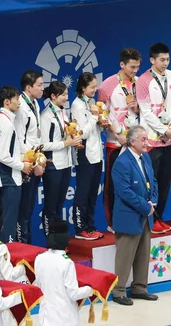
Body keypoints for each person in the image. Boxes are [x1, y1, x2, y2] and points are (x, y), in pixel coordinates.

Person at [111, 126, 159, 305]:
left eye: (147, 139)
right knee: (125, 255)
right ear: (133, 142)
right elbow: (124, 192)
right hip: (130, 215)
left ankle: (139, 288)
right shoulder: (121, 162)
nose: (147, 143)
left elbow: (153, 181)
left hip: (146, 214)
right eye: (143, 140)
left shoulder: (145, 157)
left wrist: (153, 201)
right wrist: (145, 207)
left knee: (143, 253)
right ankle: (119, 291)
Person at [136, 43, 171, 234]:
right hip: (151, 141)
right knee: (150, 183)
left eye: (167, 59)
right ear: (152, 60)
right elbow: (146, 112)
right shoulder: (143, 81)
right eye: (161, 60)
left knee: (165, 181)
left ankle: (160, 217)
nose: (165, 63)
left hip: (169, 138)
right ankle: (149, 220)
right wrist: (163, 130)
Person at [98, 48, 142, 233]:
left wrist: (138, 108)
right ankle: (112, 223)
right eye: (132, 67)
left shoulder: (140, 83)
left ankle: (132, 218)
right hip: (115, 142)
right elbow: (102, 114)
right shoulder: (107, 86)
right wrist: (118, 134)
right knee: (113, 184)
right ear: (122, 64)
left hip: (136, 144)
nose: (135, 71)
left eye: (138, 67)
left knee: (136, 183)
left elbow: (147, 111)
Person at [0, 85, 32, 243]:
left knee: (5, 219)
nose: (19, 101)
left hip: (6, 177)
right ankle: (7, 257)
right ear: (7, 102)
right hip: (9, 178)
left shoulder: (2, 120)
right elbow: (3, 155)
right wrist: (23, 166)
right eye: (16, 98)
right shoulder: (6, 124)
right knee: (8, 222)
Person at [40, 81, 81, 234]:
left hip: (66, 164)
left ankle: (57, 243)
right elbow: (43, 145)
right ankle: (49, 242)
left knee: (59, 205)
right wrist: (65, 143)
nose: (66, 98)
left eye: (66, 94)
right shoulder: (46, 116)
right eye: (63, 95)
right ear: (53, 96)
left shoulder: (63, 112)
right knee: (50, 207)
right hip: (53, 165)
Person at [34, 220, 92, 325]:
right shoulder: (66, 263)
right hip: (64, 318)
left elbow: (38, 285)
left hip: (45, 318)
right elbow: (73, 294)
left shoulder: (39, 258)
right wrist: (91, 289)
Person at [71, 72, 105, 240]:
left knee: (93, 192)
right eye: (92, 87)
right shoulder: (77, 105)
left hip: (96, 154)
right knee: (83, 193)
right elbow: (81, 133)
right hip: (84, 154)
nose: (95, 89)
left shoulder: (91, 102)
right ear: (83, 88)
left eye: (95, 85)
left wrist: (101, 122)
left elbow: (94, 129)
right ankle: (80, 228)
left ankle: (90, 226)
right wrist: (94, 117)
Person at [15, 70, 45, 244]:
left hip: (35, 159)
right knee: (24, 209)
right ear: (28, 87)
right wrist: (32, 163)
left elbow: (35, 135)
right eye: (39, 85)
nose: (43, 89)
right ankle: (22, 246)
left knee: (30, 208)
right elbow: (20, 138)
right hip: (26, 163)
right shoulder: (21, 105)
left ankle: (29, 246)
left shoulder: (35, 103)